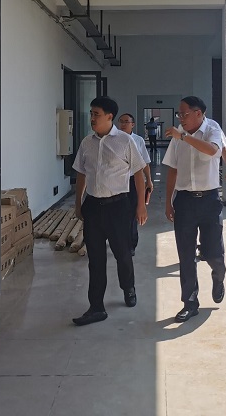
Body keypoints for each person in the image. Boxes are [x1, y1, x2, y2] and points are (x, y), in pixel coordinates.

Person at [72, 96, 148, 326]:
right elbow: (81, 173)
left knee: (122, 254)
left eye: (96, 114)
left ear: (109, 116)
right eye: (91, 113)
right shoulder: (87, 142)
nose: (92, 118)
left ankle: (128, 287)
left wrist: (141, 205)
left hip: (118, 207)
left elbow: (138, 173)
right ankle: (96, 307)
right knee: (95, 260)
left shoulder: (125, 141)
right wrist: (78, 203)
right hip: (93, 207)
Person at [162, 96, 226, 323]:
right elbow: (172, 168)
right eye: (179, 114)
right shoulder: (179, 135)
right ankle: (190, 303)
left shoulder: (212, 129)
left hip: (209, 201)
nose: (181, 118)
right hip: (185, 202)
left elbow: (212, 151)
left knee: (213, 254)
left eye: (184, 114)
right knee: (186, 255)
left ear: (198, 113)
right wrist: (168, 201)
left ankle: (218, 276)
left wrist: (183, 137)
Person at [117, 113, 153, 255]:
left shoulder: (138, 140)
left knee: (132, 213)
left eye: (126, 122)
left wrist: (149, 180)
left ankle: (131, 244)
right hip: (118, 182)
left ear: (132, 124)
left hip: (133, 181)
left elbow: (145, 163)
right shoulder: (113, 139)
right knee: (118, 213)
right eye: (121, 121)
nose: (123, 124)